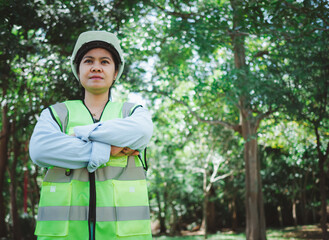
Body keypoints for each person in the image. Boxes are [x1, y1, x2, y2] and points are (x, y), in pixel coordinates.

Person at [29, 31, 153, 240]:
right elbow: (40, 150)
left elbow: (142, 132)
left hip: (124, 235)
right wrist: (108, 149)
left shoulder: (132, 112)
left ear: (115, 73)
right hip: (63, 235)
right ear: (78, 71)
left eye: (105, 61)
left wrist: (81, 134)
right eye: (88, 61)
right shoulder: (56, 114)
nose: (96, 67)